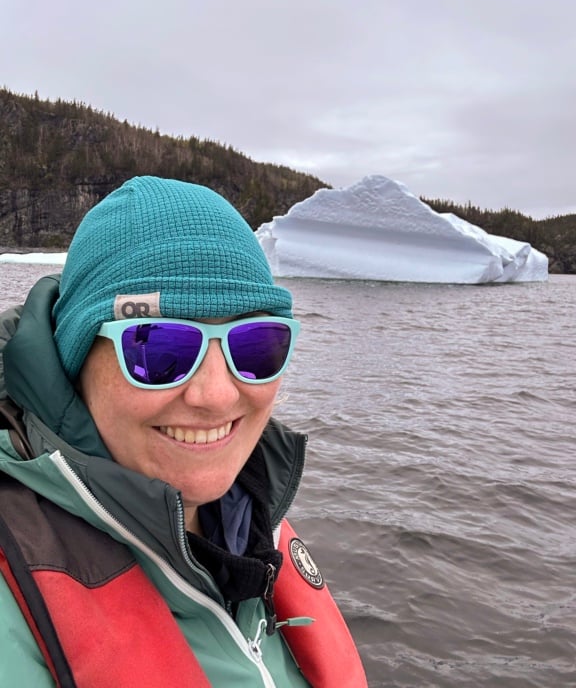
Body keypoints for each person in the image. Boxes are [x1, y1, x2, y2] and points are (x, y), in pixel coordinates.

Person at [0, 175, 367, 687]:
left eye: (255, 345)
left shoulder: (254, 519)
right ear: (74, 362)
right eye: (157, 348)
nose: (216, 395)